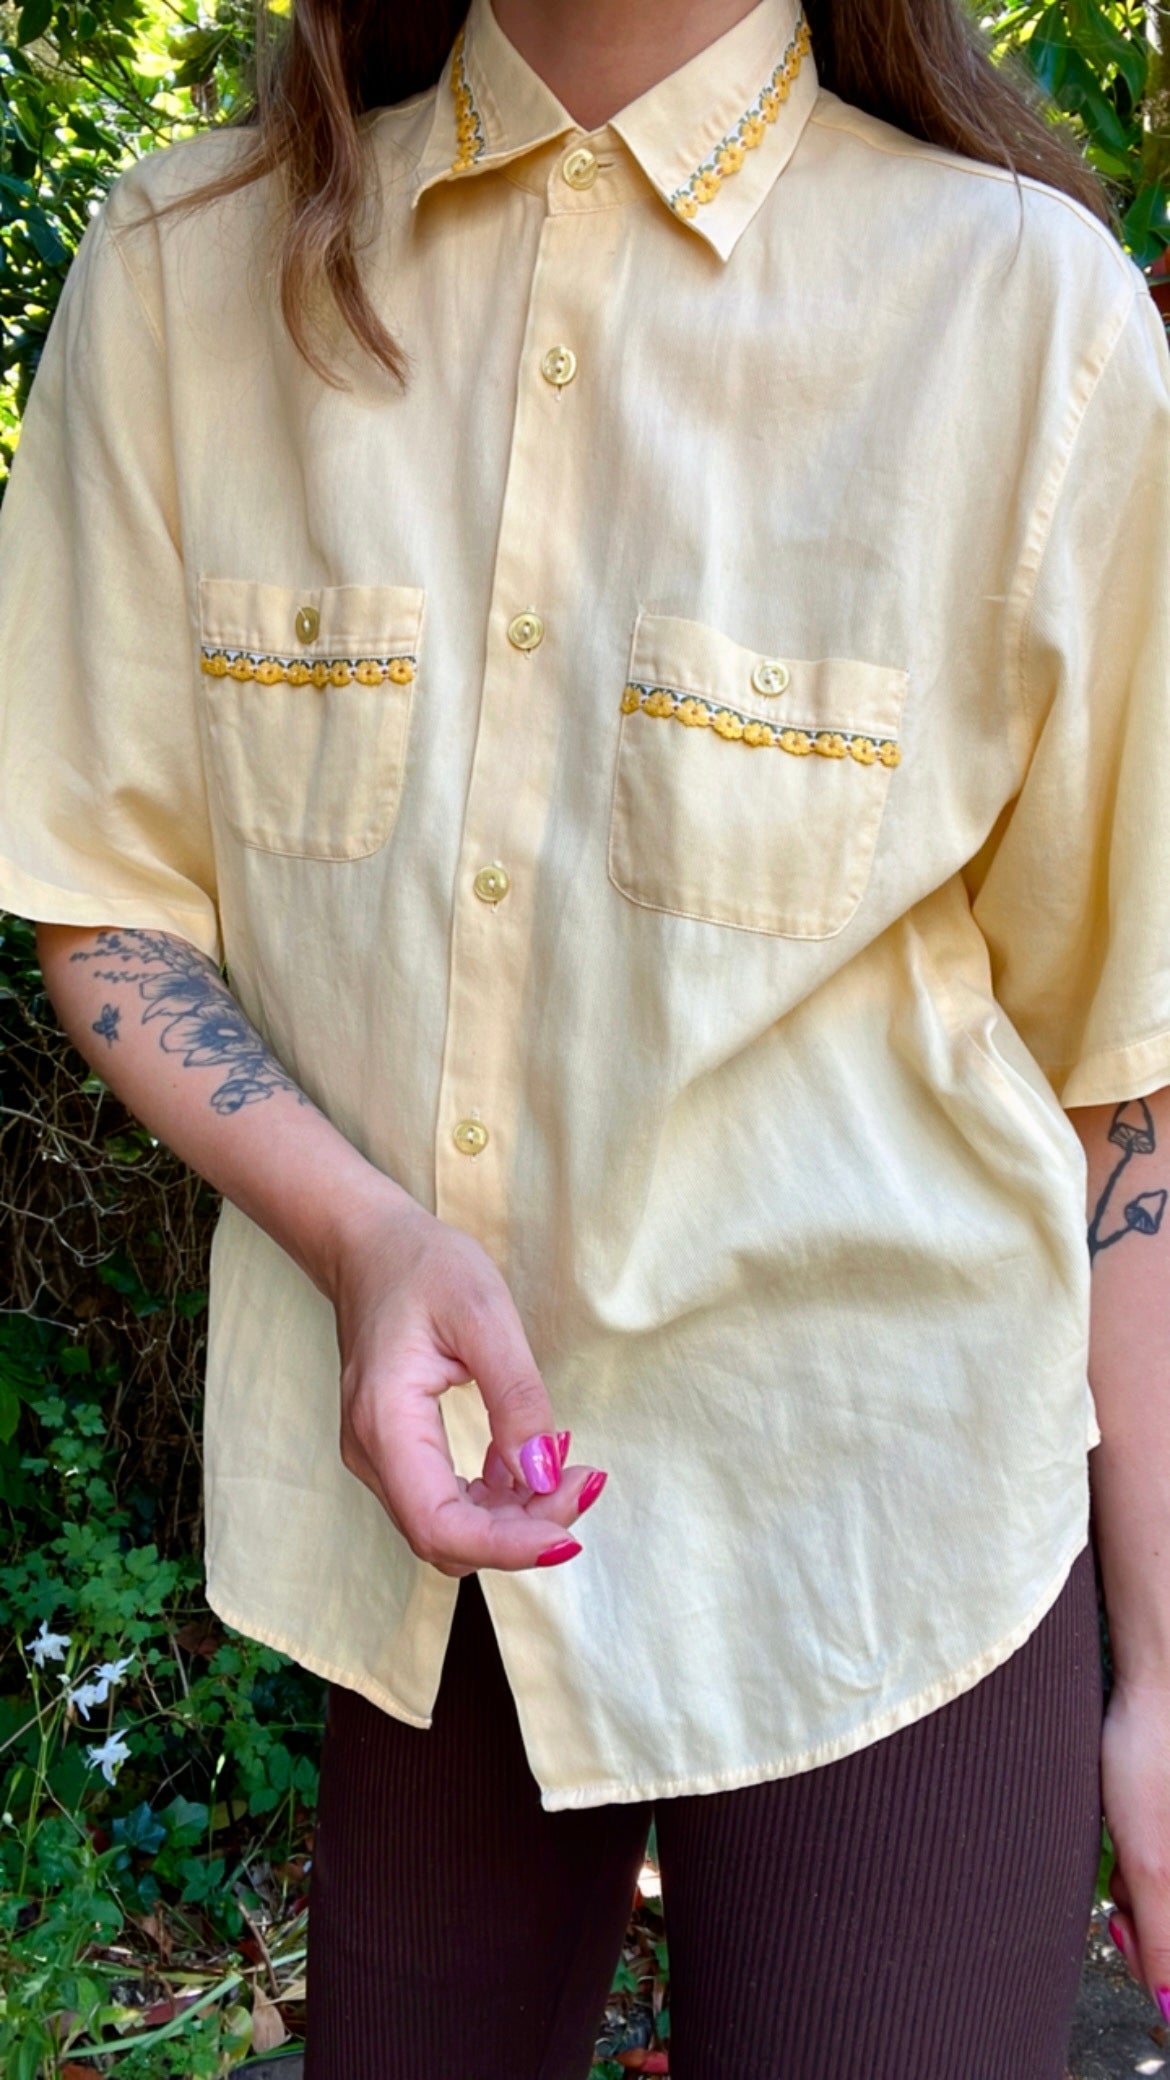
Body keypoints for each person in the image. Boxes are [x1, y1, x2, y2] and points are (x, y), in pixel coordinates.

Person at [2, 0, 1169, 2071]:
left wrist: (1162, 1669)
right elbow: (110, 898)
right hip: (426, 1518)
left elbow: (1120, 1070)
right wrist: (366, 1235)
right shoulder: (188, 276)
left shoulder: (1025, 319)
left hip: (893, 1526)